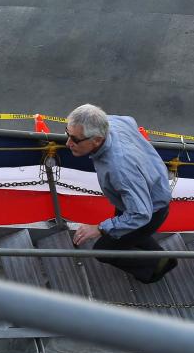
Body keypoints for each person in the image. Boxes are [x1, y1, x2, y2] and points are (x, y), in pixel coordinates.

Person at [66, 104, 178, 284]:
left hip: (149, 209)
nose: (67, 143)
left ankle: (156, 268)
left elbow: (141, 214)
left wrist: (99, 228)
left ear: (96, 140)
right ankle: (161, 258)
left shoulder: (119, 169)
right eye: (67, 133)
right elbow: (129, 121)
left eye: (75, 139)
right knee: (127, 233)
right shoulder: (110, 123)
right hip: (140, 199)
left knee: (103, 250)